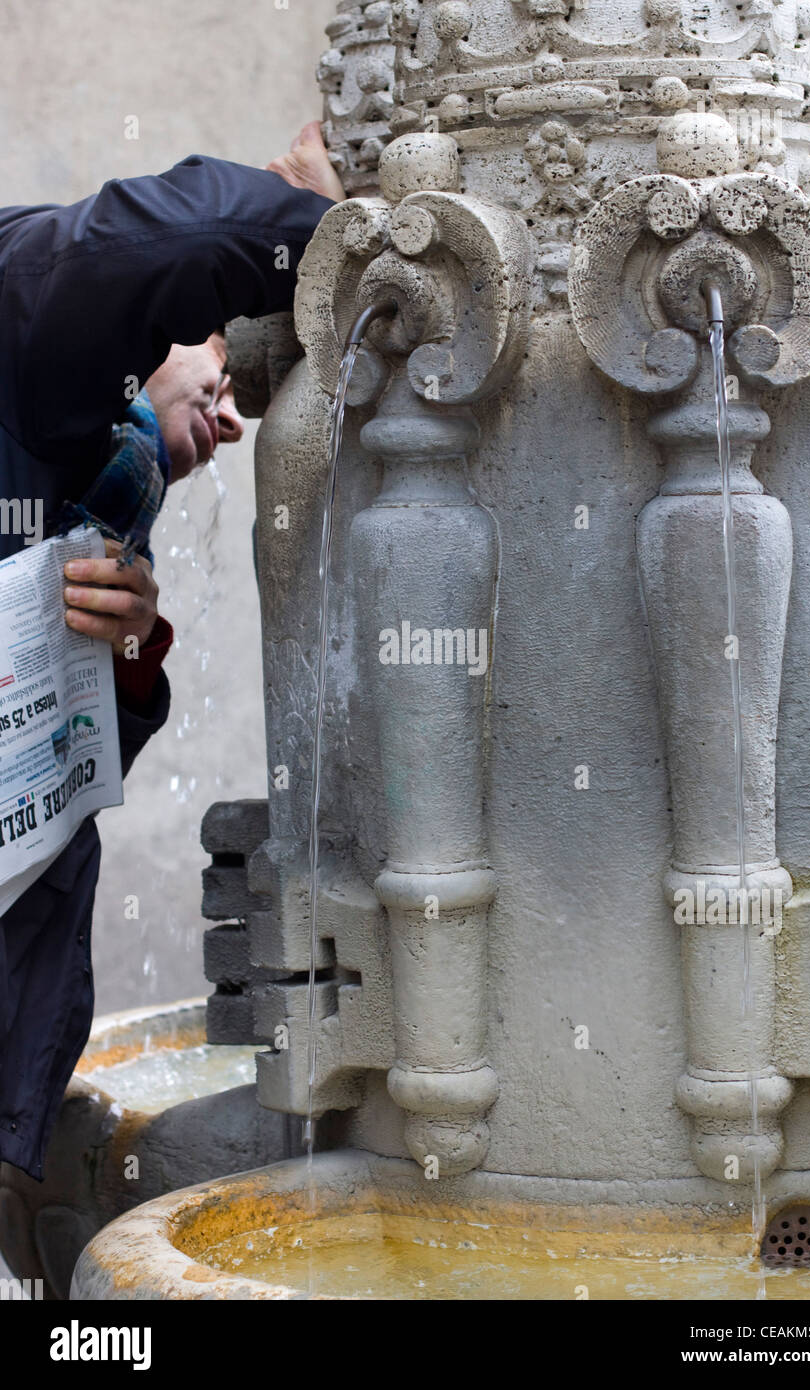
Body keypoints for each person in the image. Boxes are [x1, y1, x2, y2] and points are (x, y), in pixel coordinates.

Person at [0, 122, 344, 1180]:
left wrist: (131, 649)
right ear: (151, 329)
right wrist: (334, 231)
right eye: (226, 366)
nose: (234, 417)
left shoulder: (98, 484)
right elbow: (172, 234)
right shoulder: (32, 328)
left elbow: (54, 784)